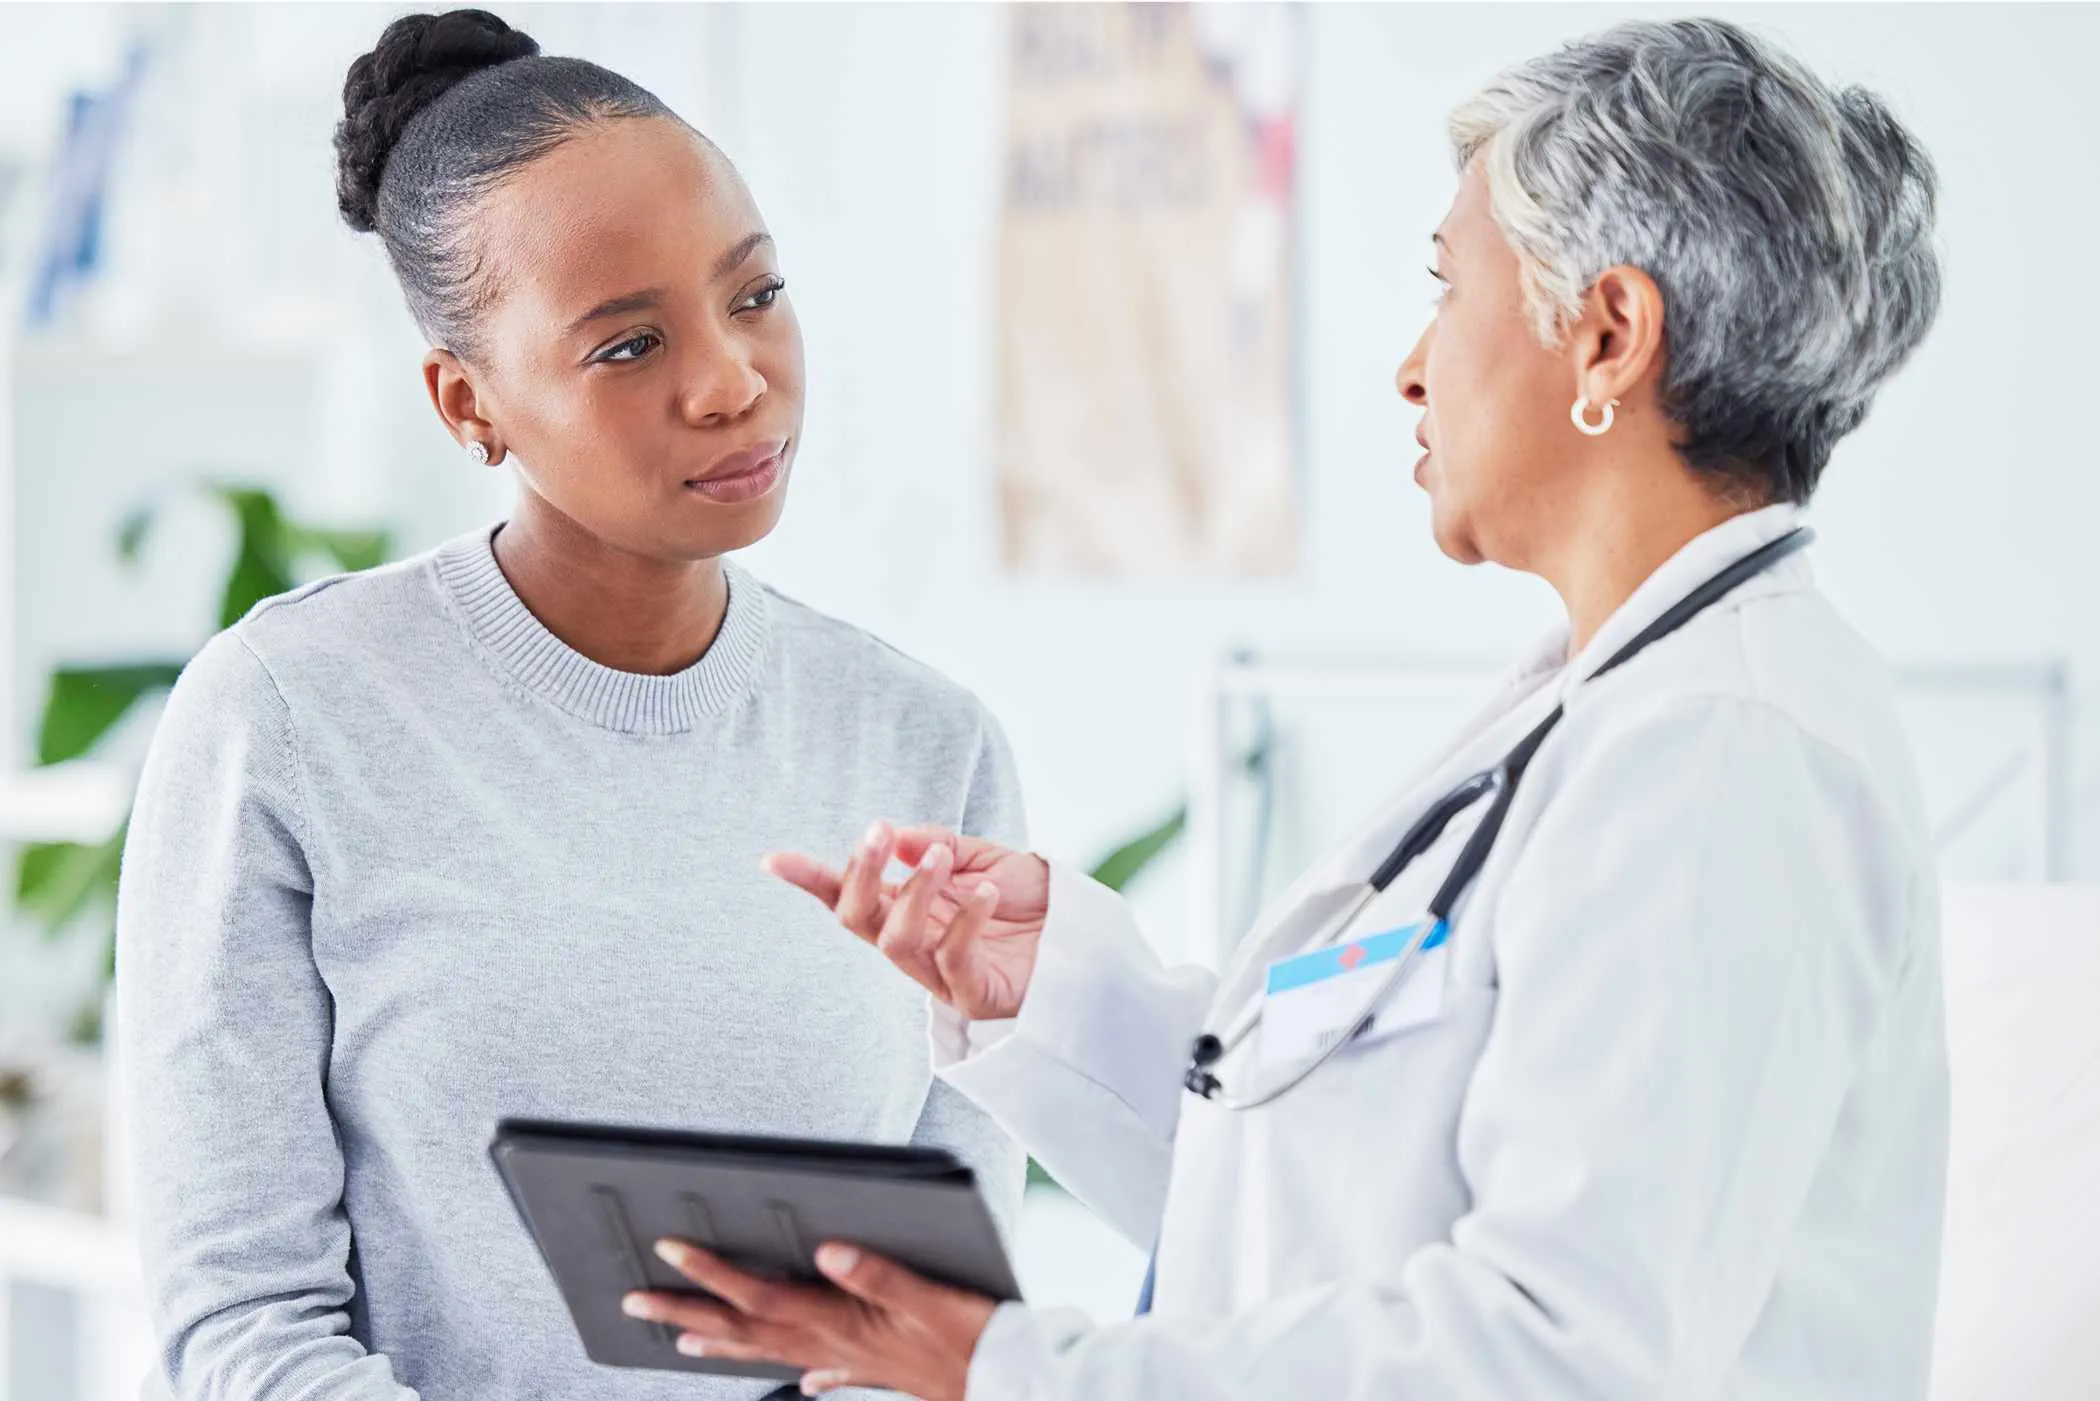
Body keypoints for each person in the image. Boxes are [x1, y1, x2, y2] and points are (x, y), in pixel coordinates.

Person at [620, 18, 1950, 1400]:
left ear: (1608, 335)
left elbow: (1564, 1357)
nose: (1414, 365)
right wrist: (1067, 1000)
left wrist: (1014, 1369)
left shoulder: (1723, 753)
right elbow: (1323, 1210)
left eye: (1448, 288)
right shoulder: (1605, 711)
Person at [114, 10, 1023, 1399]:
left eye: (756, 294)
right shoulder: (288, 718)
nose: (731, 382)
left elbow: (942, 1328)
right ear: (468, 403)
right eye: (625, 347)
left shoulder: (924, 743)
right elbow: (243, 1319)